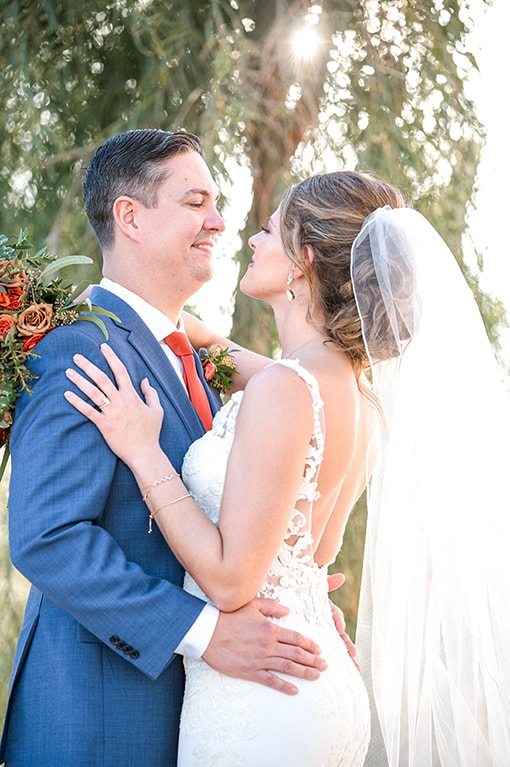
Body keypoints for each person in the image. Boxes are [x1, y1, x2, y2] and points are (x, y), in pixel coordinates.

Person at [65, 169, 510, 767]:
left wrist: (144, 452)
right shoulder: (352, 392)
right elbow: (208, 345)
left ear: (302, 260)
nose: (250, 237)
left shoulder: (286, 387)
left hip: (259, 695)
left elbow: (229, 581)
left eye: (270, 229)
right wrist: (113, 304)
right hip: (317, 678)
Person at [0, 129, 334, 767]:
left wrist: (301, 596)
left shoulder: (191, 356)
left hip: (192, 718)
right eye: (195, 203)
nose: (219, 221)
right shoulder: (80, 345)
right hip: (97, 720)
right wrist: (205, 634)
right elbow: (48, 536)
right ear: (130, 217)